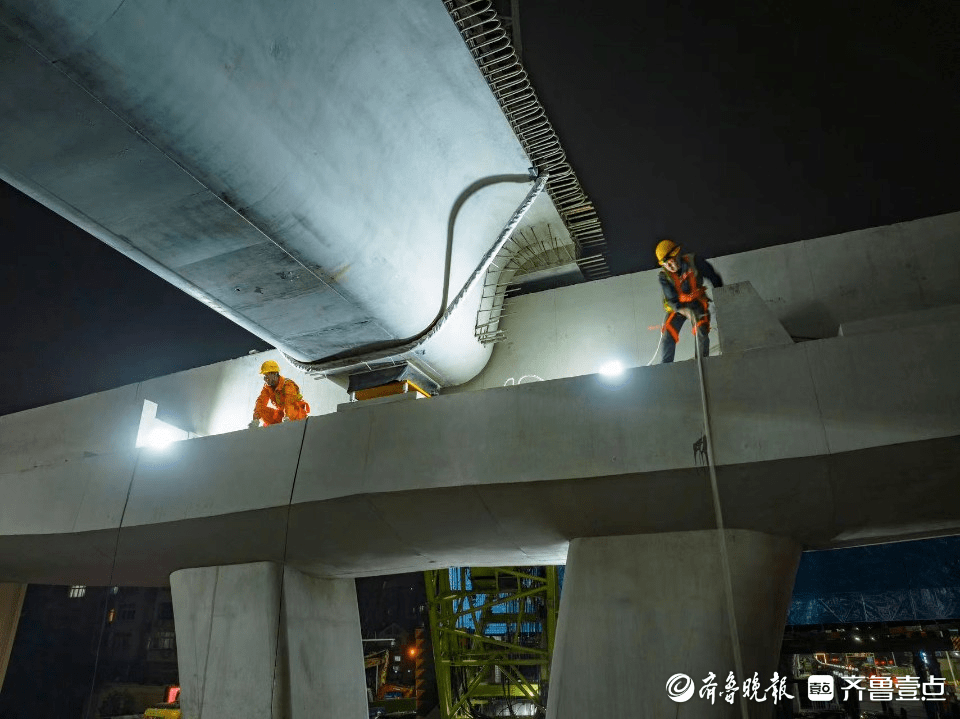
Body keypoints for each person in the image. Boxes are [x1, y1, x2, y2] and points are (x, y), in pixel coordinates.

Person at [655, 239, 723, 363]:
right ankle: (666, 366)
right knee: (668, 333)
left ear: (678, 254)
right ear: (663, 265)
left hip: (697, 302)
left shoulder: (694, 261)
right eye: (667, 265)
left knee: (701, 330)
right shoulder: (664, 277)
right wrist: (685, 311)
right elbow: (671, 300)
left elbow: (713, 277)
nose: (672, 266)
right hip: (678, 307)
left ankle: (702, 364)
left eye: (673, 261)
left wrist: (722, 298)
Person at [248, 360, 310, 428]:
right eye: (264, 376)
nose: (265, 379)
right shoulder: (267, 387)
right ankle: (277, 425)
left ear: (274, 374)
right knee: (261, 409)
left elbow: (290, 402)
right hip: (282, 414)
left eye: (267, 375)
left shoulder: (287, 384)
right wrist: (255, 420)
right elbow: (260, 402)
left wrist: (287, 417)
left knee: (293, 407)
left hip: (296, 414)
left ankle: (288, 421)